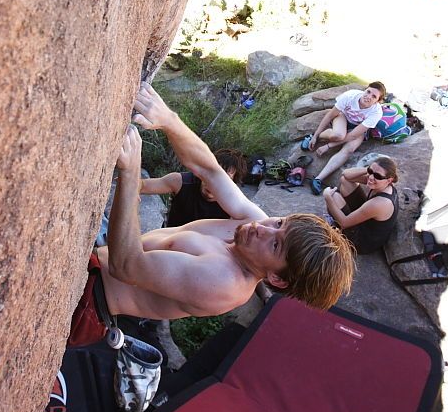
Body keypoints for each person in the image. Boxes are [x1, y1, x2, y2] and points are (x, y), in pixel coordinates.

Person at [68, 84, 354, 346]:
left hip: (88, 302)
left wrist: (130, 173)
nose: (263, 228)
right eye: (280, 223)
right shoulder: (252, 226)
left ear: (277, 279)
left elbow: (126, 266)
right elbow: (209, 169)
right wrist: (169, 120)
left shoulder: (223, 284)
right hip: (90, 265)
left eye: (275, 244)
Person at [309, 82, 386, 193]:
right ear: (365, 90)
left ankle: (318, 179)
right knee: (338, 135)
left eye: (374, 96)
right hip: (343, 117)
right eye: (368, 92)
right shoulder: (350, 96)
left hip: (358, 128)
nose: (368, 96)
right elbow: (331, 115)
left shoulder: (376, 112)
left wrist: (328, 146)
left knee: (349, 149)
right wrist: (316, 135)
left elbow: (353, 135)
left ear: (378, 101)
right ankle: (316, 137)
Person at [141, 149, 247, 226]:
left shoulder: (235, 206)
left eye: (224, 180)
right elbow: (143, 186)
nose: (214, 183)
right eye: (212, 173)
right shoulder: (181, 182)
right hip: (166, 244)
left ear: (233, 184)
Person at [323, 156, 399, 254]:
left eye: (377, 176)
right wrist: (369, 169)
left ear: (389, 180)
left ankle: (338, 231)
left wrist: (327, 198)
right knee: (345, 181)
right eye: (370, 171)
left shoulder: (381, 203)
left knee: (333, 197)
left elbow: (344, 223)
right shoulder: (382, 184)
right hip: (367, 222)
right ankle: (342, 215)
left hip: (361, 242)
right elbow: (346, 175)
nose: (371, 177)